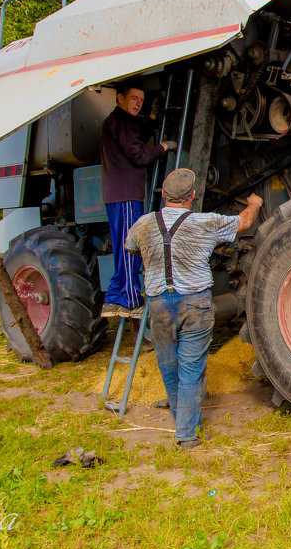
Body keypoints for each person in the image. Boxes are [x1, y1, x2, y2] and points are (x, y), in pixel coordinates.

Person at [124, 168, 263, 449]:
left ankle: (183, 421)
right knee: (191, 367)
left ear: (163, 195)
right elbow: (245, 223)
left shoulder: (143, 224)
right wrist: (255, 203)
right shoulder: (205, 222)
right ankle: (187, 433)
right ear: (193, 196)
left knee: (168, 364)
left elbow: (131, 248)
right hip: (194, 303)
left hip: (159, 303)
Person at [100, 81, 174, 319]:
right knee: (131, 247)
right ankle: (131, 301)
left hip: (116, 195)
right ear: (119, 98)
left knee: (121, 247)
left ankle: (113, 298)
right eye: (134, 99)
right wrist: (162, 147)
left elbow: (136, 136)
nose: (138, 104)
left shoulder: (117, 122)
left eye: (141, 100)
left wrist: (152, 118)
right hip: (126, 195)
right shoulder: (122, 122)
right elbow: (139, 155)